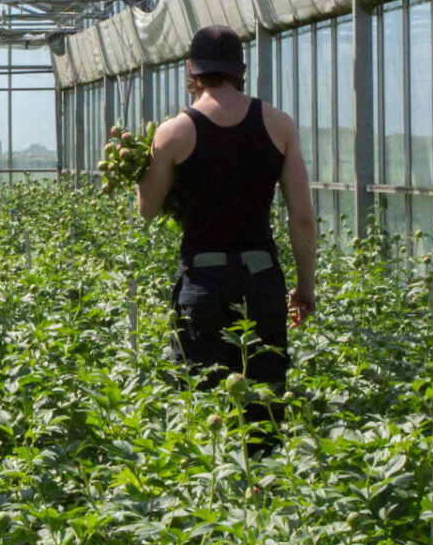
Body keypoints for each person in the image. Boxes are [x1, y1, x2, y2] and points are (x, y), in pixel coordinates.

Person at [135, 25, 316, 445]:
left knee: (204, 415)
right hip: (262, 280)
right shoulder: (279, 124)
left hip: (204, 285)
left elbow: (146, 210)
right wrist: (304, 286)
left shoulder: (173, 132)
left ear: (191, 71)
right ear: (242, 70)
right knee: (264, 410)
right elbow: (302, 217)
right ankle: (263, 497)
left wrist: (144, 169)